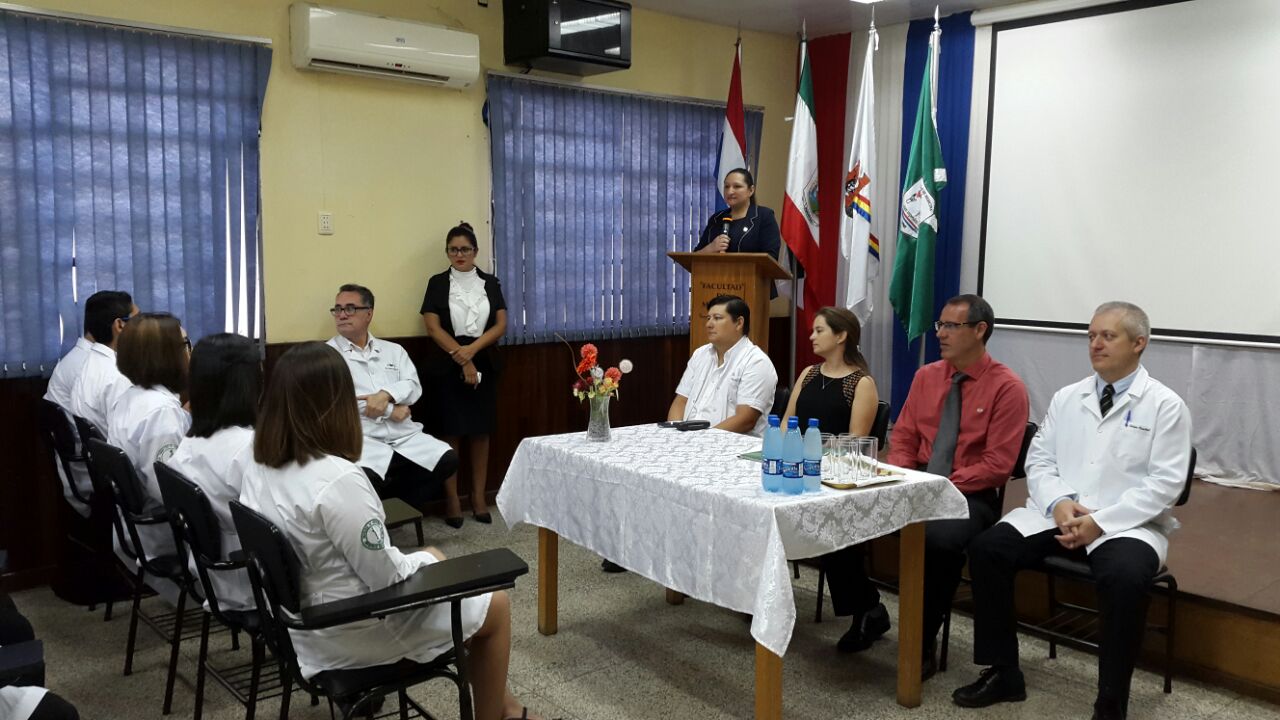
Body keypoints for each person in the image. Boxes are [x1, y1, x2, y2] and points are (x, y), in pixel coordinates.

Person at [239, 342, 545, 720]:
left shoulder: (260, 463)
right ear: (335, 405)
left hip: (300, 622)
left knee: (445, 575)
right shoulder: (338, 479)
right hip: (349, 628)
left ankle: (510, 710)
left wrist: (424, 559)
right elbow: (385, 579)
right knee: (494, 602)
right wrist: (423, 559)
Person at [953, 302, 1192, 720]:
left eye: (1107, 336)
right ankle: (1004, 671)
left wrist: (1100, 521)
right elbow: (1039, 461)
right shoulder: (1068, 397)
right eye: (1091, 336)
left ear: (1140, 343)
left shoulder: (1165, 405)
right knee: (988, 549)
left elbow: (1166, 484)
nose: (1095, 344)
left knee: (1123, 577)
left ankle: (1111, 700)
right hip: (1057, 514)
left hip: (1125, 525)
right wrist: (1060, 502)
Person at [823, 295, 1029, 680]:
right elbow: (902, 438)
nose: (941, 334)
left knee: (939, 540)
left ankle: (920, 642)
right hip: (914, 481)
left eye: (951, 326)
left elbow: (997, 467)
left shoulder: (1007, 388)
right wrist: (904, 478)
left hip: (967, 494)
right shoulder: (926, 376)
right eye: (940, 325)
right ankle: (867, 608)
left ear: (980, 331)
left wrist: (935, 484)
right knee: (839, 507)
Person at [327, 284, 456, 511]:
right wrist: (390, 410)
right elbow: (340, 402)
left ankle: (396, 512)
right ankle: (374, 519)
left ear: (369, 313)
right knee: (366, 476)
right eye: (337, 309)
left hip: (404, 435)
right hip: (361, 438)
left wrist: (385, 394)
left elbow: (413, 386)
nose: (342, 315)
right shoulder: (327, 356)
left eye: (350, 308)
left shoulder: (393, 351)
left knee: (447, 459)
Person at [420, 222, 507, 528]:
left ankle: (479, 497)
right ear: (447, 252)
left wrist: (472, 352)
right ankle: (453, 500)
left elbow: (500, 324)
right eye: (453, 249)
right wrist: (461, 356)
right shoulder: (437, 283)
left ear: (475, 252)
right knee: (451, 432)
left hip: (484, 357)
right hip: (446, 362)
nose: (459, 254)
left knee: (481, 431)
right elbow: (432, 327)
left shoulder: (490, 282)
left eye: (465, 249)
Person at [165, 333, 261, 611]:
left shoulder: (189, 442)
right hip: (251, 580)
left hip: (210, 574)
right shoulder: (247, 449)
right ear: (248, 384)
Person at [106, 312, 192, 604]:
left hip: (131, 525)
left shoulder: (130, 398)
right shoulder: (161, 414)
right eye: (185, 344)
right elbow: (170, 491)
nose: (189, 351)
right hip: (162, 533)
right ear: (168, 355)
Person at [44, 290, 131, 514]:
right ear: (119, 325)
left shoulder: (84, 360)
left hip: (86, 469)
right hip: (93, 478)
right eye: (137, 321)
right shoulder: (91, 368)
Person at [669, 295, 778, 437]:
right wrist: (674, 435)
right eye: (708, 318)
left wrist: (701, 439)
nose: (709, 324)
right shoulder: (700, 354)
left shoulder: (756, 362)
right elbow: (680, 402)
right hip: (690, 441)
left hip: (733, 447)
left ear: (739, 323)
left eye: (717, 318)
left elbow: (745, 420)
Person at [781, 307, 879, 436]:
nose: (812, 337)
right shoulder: (808, 373)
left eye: (819, 331)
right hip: (794, 453)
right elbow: (786, 422)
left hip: (835, 455)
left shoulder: (861, 383)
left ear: (841, 336)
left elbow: (856, 439)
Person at [68, 291, 138, 433]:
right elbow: (132, 438)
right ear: (120, 325)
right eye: (139, 320)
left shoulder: (91, 362)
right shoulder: (118, 378)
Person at [693, 168, 781, 259]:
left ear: (751, 190)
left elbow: (771, 258)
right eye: (726, 186)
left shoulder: (764, 216)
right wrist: (711, 248)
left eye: (737, 186)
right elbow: (693, 260)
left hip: (748, 273)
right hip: (713, 273)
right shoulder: (716, 219)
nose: (730, 191)